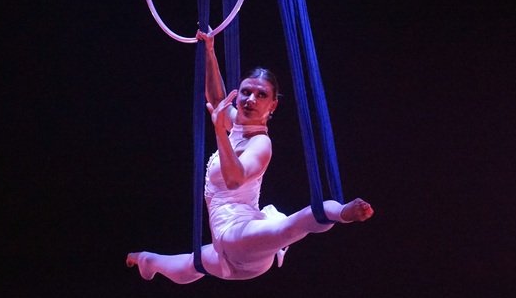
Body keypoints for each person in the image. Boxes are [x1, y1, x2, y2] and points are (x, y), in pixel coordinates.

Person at [126, 29, 373, 284]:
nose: (250, 99)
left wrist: (218, 132)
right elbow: (218, 99)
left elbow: (234, 179)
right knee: (193, 263)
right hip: (227, 242)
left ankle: (341, 211)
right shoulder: (238, 125)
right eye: (245, 92)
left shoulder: (261, 143)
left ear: (273, 105)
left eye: (261, 95)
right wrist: (210, 50)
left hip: (244, 236)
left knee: (288, 227)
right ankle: (148, 260)